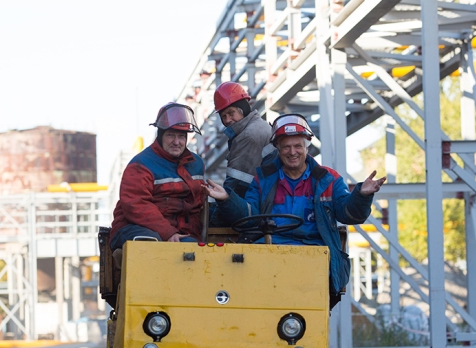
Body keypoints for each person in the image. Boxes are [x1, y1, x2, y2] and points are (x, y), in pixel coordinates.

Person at [205, 113, 386, 299]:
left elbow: (349, 214)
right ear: (277, 148)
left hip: (314, 256)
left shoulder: (327, 179)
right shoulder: (264, 179)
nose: (292, 152)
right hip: (271, 254)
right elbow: (250, 215)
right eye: (286, 147)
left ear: (306, 146)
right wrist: (227, 199)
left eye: (298, 146)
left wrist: (362, 195)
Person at [110, 103, 207, 250]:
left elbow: (197, 206)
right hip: (133, 228)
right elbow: (136, 205)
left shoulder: (196, 164)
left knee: (195, 250)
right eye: (170, 135)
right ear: (160, 136)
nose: (176, 142)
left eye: (181, 136)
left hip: (178, 233)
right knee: (149, 242)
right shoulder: (140, 166)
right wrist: (168, 233)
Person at [213, 82, 274, 198]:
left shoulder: (247, 136)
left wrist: (219, 210)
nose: (227, 120)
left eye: (231, 113)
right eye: (223, 116)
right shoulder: (259, 125)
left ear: (244, 108)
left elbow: (234, 186)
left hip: (261, 201)